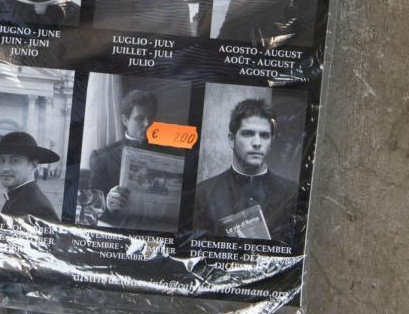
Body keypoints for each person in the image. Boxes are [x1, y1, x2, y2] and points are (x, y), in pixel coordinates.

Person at [193, 99, 297, 241]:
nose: (257, 143)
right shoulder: (204, 193)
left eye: (264, 135)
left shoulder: (291, 193)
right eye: (248, 134)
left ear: (271, 141)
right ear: (231, 140)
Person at [87, 89, 185, 229]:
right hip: (124, 230)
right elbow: (91, 212)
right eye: (140, 118)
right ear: (125, 120)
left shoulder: (173, 154)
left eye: (151, 117)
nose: (147, 123)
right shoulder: (102, 157)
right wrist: (108, 205)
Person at [0, 131, 60, 221]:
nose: (5, 168)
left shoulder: (38, 210)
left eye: (15, 161)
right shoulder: (18, 197)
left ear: (33, 166)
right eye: (2, 160)